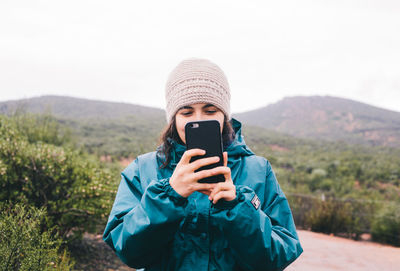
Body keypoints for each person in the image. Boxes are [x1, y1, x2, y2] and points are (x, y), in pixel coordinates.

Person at [103, 58, 303, 270]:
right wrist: (169, 196)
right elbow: (127, 249)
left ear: (224, 116)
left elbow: (279, 254)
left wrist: (236, 208)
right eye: (186, 112)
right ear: (173, 118)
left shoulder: (258, 170)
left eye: (210, 111)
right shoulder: (142, 169)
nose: (198, 119)